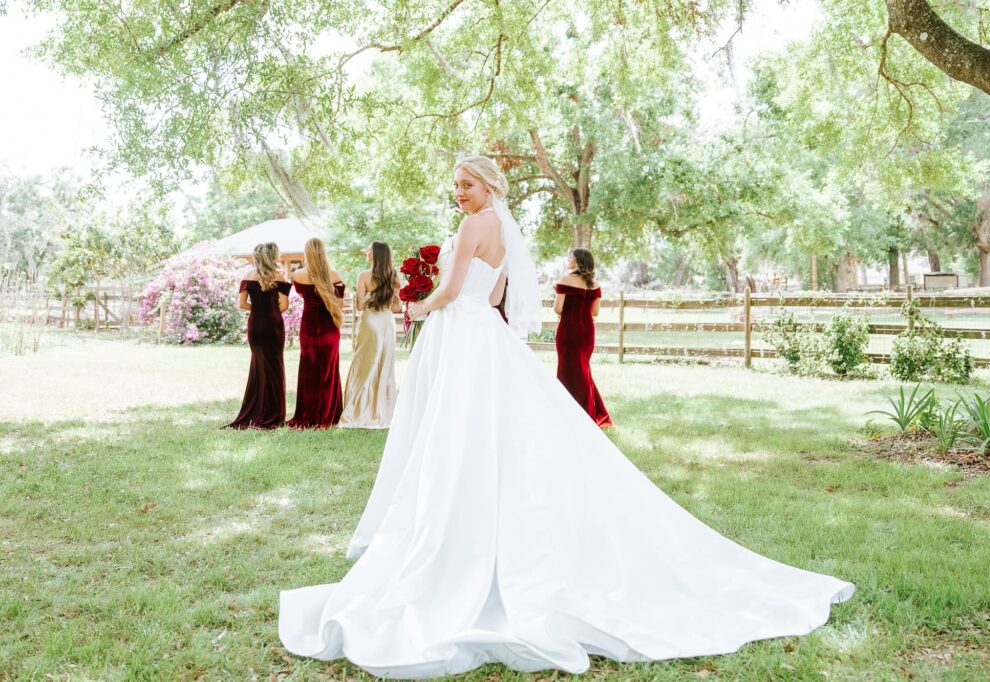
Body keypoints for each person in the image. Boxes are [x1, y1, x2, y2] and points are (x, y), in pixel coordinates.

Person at [279, 156, 853, 679]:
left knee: (457, 434)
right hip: (488, 335)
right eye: (456, 185)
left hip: (461, 334)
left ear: (489, 186)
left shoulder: (472, 227)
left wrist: (416, 304)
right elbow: (496, 289)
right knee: (488, 431)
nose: (459, 192)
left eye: (467, 184)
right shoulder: (503, 229)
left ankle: (459, 526)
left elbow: (453, 290)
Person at [226, 243, 291, 429]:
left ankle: (255, 410)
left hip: (255, 325)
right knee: (275, 367)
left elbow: (242, 304)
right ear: (273, 256)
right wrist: (270, 309)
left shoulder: (247, 276)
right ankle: (274, 413)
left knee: (258, 365)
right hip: (273, 326)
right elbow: (284, 307)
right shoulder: (279, 276)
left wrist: (258, 309)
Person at [340, 241, 400, 429]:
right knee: (384, 364)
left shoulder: (364, 276)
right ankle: (383, 410)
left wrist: (371, 296)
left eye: (369, 249)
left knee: (365, 364)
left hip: (371, 322)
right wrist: (385, 296)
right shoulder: (394, 275)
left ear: (376, 254)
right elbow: (397, 306)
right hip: (387, 322)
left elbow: (359, 305)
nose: (366, 251)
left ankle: (358, 411)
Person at [286, 238, 345, 429]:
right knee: (328, 370)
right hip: (329, 327)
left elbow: (302, 293)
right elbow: (340, 304)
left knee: (309, 371)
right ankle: (329, 413)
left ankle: (308, 413)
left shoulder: (298, 274)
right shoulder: (334, 275)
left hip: (309, 326)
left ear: (307, 253)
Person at [554, 248, 613, 428]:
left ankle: (570, 412)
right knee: (583, 369)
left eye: (570, 256)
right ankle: (588, 411)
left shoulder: (565, 280)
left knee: (568, 370)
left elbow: (557, 309)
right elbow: (595, 312)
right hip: (587, 331)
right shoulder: (594, 284)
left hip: (568, 330)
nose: (568, 258)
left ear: (578, 260)